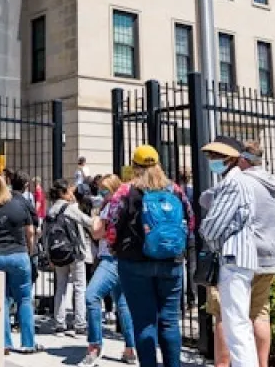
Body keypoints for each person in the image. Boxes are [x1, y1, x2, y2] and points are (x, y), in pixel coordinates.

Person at [104, 145, 194, 367]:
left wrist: (114, 247)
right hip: (171, 261)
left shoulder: (125, 191)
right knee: (170, 322)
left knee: (144, 322)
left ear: (134, 166)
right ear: (158, 164)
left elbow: (112, 225)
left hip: (134, 262)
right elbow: (190, 221)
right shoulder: (174, 190)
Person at [199, 137, 275, 367]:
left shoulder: (235, 182)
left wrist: (206, 231)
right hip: (262, 255)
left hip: (235, 257)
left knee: (234, 323)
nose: (212, 161)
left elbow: (213, 225)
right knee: (250, 319)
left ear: (235, 159)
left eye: (216, 157)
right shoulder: (264, 183)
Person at [0, 173, 41, 354]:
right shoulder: (19, 207)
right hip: (19, 255)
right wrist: (29, 250)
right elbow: (30, 232)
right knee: (25, 299)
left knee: (1, 301)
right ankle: (28, 342)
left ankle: (5, 342)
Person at [84, 174, 136, 366]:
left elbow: (97, 233)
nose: (102, 192)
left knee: (91, 295)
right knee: (122, 303)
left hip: (110, 258)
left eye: (104, 189)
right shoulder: (126, 204)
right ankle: (130, 349)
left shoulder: (110, 207)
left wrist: (95, 217)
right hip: (124, 257)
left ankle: (95, 345)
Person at [47, 178, 94, 337]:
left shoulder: (51, 210)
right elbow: (88, 222)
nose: (72, 194)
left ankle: (59, 324)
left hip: (57, 253)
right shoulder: (70, 208)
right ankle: (80, 324)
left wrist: (49, 256)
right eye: (69, 192)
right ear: (63, 193)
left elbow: (46, 235)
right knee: (79, 287)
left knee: (60, 287)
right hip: (74, 252)